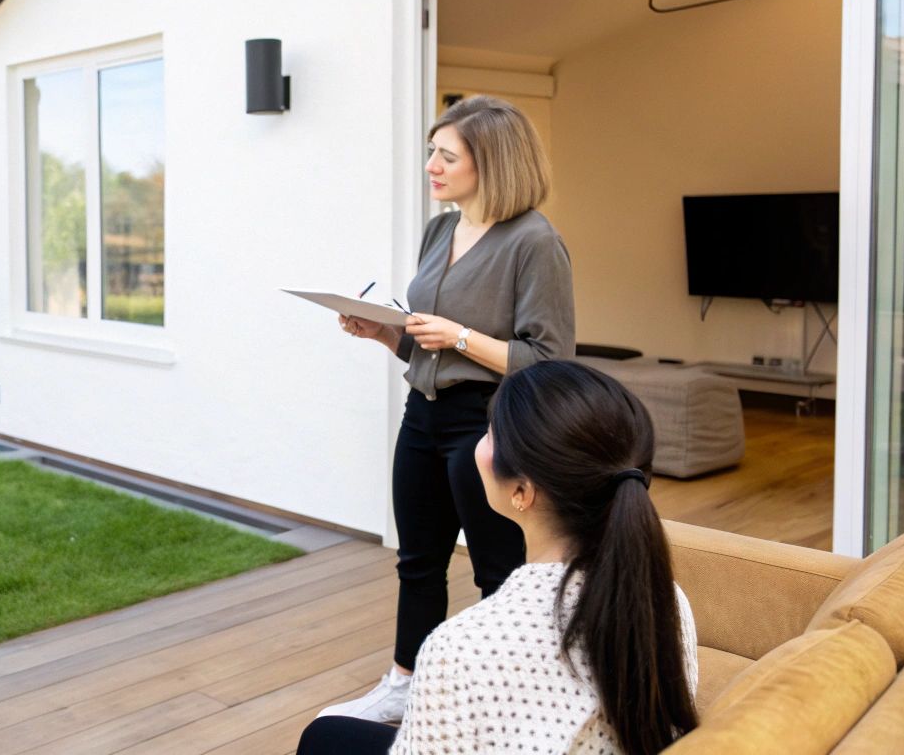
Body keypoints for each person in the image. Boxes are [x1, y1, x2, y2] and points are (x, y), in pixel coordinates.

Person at [298, 361, 700, 754]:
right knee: (330, 733)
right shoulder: (666, 599)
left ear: (522, 492)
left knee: (321, 737)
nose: (479, 444)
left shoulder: (461, 650)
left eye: (489, 434)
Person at [327, 95, 574, 725]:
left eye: (446, 154)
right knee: (418, 561)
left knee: (498, 572)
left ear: (490, 161)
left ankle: (508, 693)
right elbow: (427, 340)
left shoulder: (535, 241)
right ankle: (404, 684)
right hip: (424, 414)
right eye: (431, 152)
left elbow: (550, 359)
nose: (432, 165)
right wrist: (386, 333)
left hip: (488, 424)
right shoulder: (441, 229)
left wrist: (461, 337)